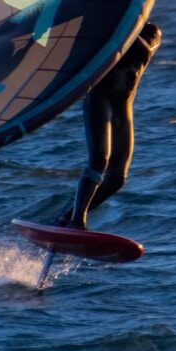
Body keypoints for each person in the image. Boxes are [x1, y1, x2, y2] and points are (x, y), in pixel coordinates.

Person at [59, 21, 162, 229]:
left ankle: (67, 218)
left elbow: (144, 45)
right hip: (100, 99)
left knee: (117, 179)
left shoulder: (148, 32)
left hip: (123, 108)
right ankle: (78, 220)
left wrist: (133, 17)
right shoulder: (110, 30)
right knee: (98, 161)